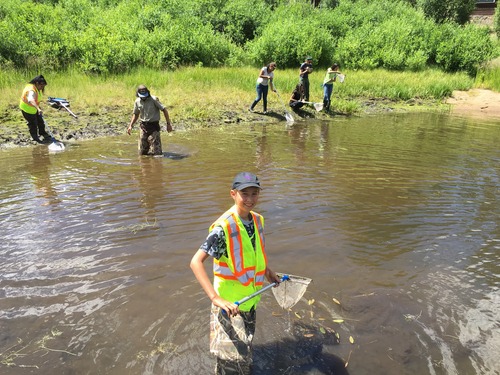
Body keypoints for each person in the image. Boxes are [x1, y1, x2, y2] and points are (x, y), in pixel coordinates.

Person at [190, 172, 280, 375]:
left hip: (250, 301)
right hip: (229, 307)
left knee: (244, 348)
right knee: (228, 360)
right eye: (244, 194)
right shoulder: (224, 227)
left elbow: (251, 254)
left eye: (254, 193)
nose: (249, 199)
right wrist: (215, 298)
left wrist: (268, 273)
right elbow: (195, 262)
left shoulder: (257, 221)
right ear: (233, 194)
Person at [127, 85, 173, 156]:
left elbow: (164, 110)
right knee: (142, 153)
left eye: (145, 95)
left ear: (148, 93)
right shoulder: (137, 101)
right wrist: (130, 125)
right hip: (143, 127)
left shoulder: (154, 99)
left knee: (157, 154)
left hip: (154, 127)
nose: (144, 97)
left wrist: (168, 124)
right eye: (142, 96)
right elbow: (136, 114)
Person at [19, 75, 51, 143]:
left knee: (40, 121)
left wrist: (38, 107)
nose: (42, 88)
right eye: (41, 86)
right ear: (37, 83)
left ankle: (43, 133)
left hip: (34, 108)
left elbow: (36, 99)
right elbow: (31, 100)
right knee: (33, 124)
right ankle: (35, 138)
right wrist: (38, 108)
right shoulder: (31, 90)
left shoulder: (36, 87)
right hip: (27, 109)